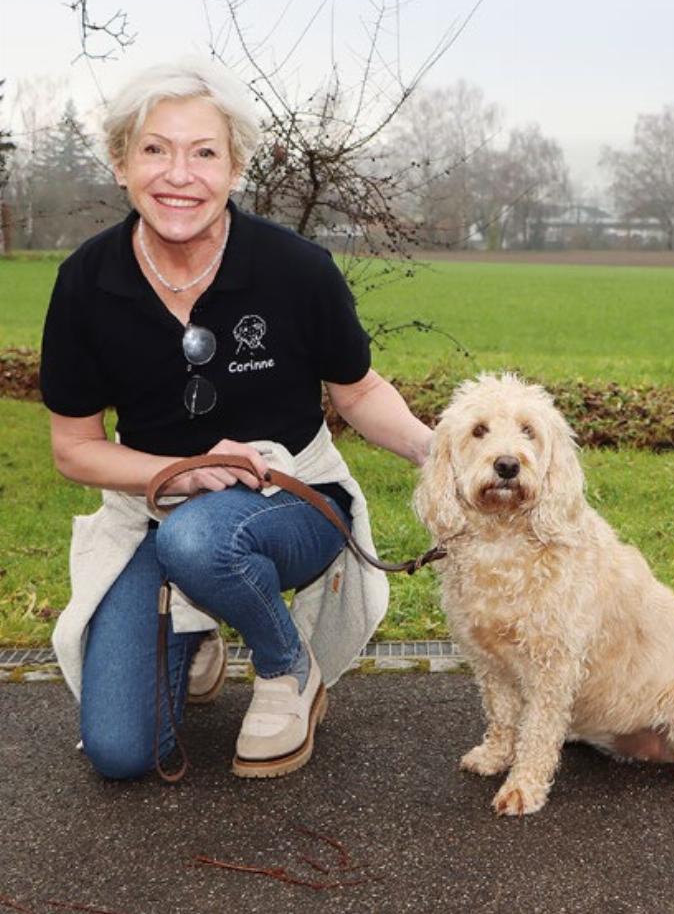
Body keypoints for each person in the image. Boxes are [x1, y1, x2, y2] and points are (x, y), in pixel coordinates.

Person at [40, 59, 432, 782]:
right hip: (153, 510)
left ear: (236, 168)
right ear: (122, 163)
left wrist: (438, 453)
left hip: (295, 502)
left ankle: (288, 669)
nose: (177, 174)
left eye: (203, 152)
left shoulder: (297, 268)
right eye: (154, 149)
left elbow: (358, 390)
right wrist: (174, 472)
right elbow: (74, 448)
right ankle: (197, 628)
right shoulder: (85, 283)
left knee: (202, 539)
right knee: (123, 752)